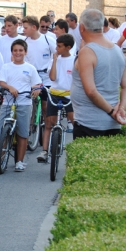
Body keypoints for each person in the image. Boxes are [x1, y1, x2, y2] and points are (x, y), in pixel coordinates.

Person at [71, 9, 126, 138]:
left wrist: (111, 111)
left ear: (81, 27)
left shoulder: (87, 52)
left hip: (89, 124)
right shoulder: (117, 50)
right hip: (112, 124)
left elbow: (91, 91)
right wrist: (121, 109)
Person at [0, 39, 41, 172]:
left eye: (21, 50)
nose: (18, 53)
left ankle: (19, 162)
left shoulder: (30, 68)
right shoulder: (6, 67)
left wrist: (36, 88)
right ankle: (0, 158)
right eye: (15, 50)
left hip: (24, 102)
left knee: (22, 133)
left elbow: (37, 83)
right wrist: (10, 87)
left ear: (25, 52)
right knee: (3, 132)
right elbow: (2, 82)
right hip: (8, 102)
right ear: (11, 52)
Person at [21, 15, 58, 159]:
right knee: (30, 105)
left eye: (25, 28)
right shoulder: (24, 42)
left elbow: (56, 56)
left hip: (46, 77)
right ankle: (31, 128)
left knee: (45, 107)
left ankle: (46, 127)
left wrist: (50, 69)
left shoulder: (48, 40)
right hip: (32, 78)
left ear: (34, 27)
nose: (23, 30)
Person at [37, 33, 76, 162]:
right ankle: (44, 151)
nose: (56, 49)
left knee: (75, 121)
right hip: (54, 93)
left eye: (59, 46)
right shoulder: (54, 59)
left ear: (68, 47)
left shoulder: (75, 60)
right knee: (49, 123)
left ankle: (77, 147)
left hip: (69, 95)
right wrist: (54, 60)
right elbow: (53, 77)